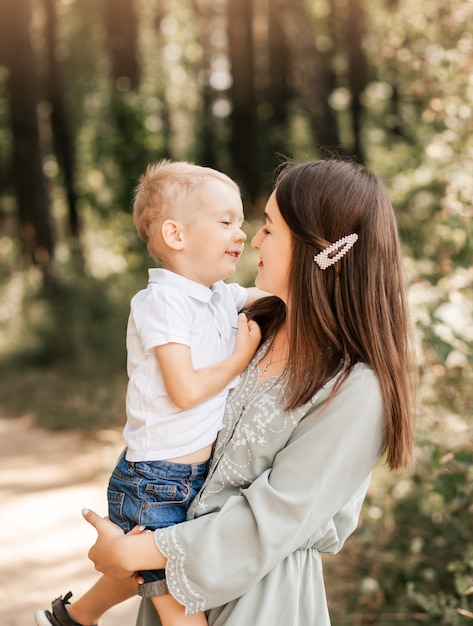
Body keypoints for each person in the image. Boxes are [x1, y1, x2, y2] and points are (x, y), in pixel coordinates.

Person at [85, 158, 416, 626]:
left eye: (270, 228)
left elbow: (273, 521)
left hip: (262, 601)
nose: (252, 239)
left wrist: (130, 551)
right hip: (172, 581)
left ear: (319, 249)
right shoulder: (250, 330)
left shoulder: (357, 389)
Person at [35, 160, 266, 626]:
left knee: (136, 569)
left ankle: (71, 620)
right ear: (176, 236)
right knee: (180, 611)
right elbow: (184, 391)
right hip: (157, 481)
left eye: (241, 222)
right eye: (226, 222)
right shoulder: (161, 302)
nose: (242, 234)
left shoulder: (219, 294)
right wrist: (238, 360)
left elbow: (280, 298)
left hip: (191, 475)